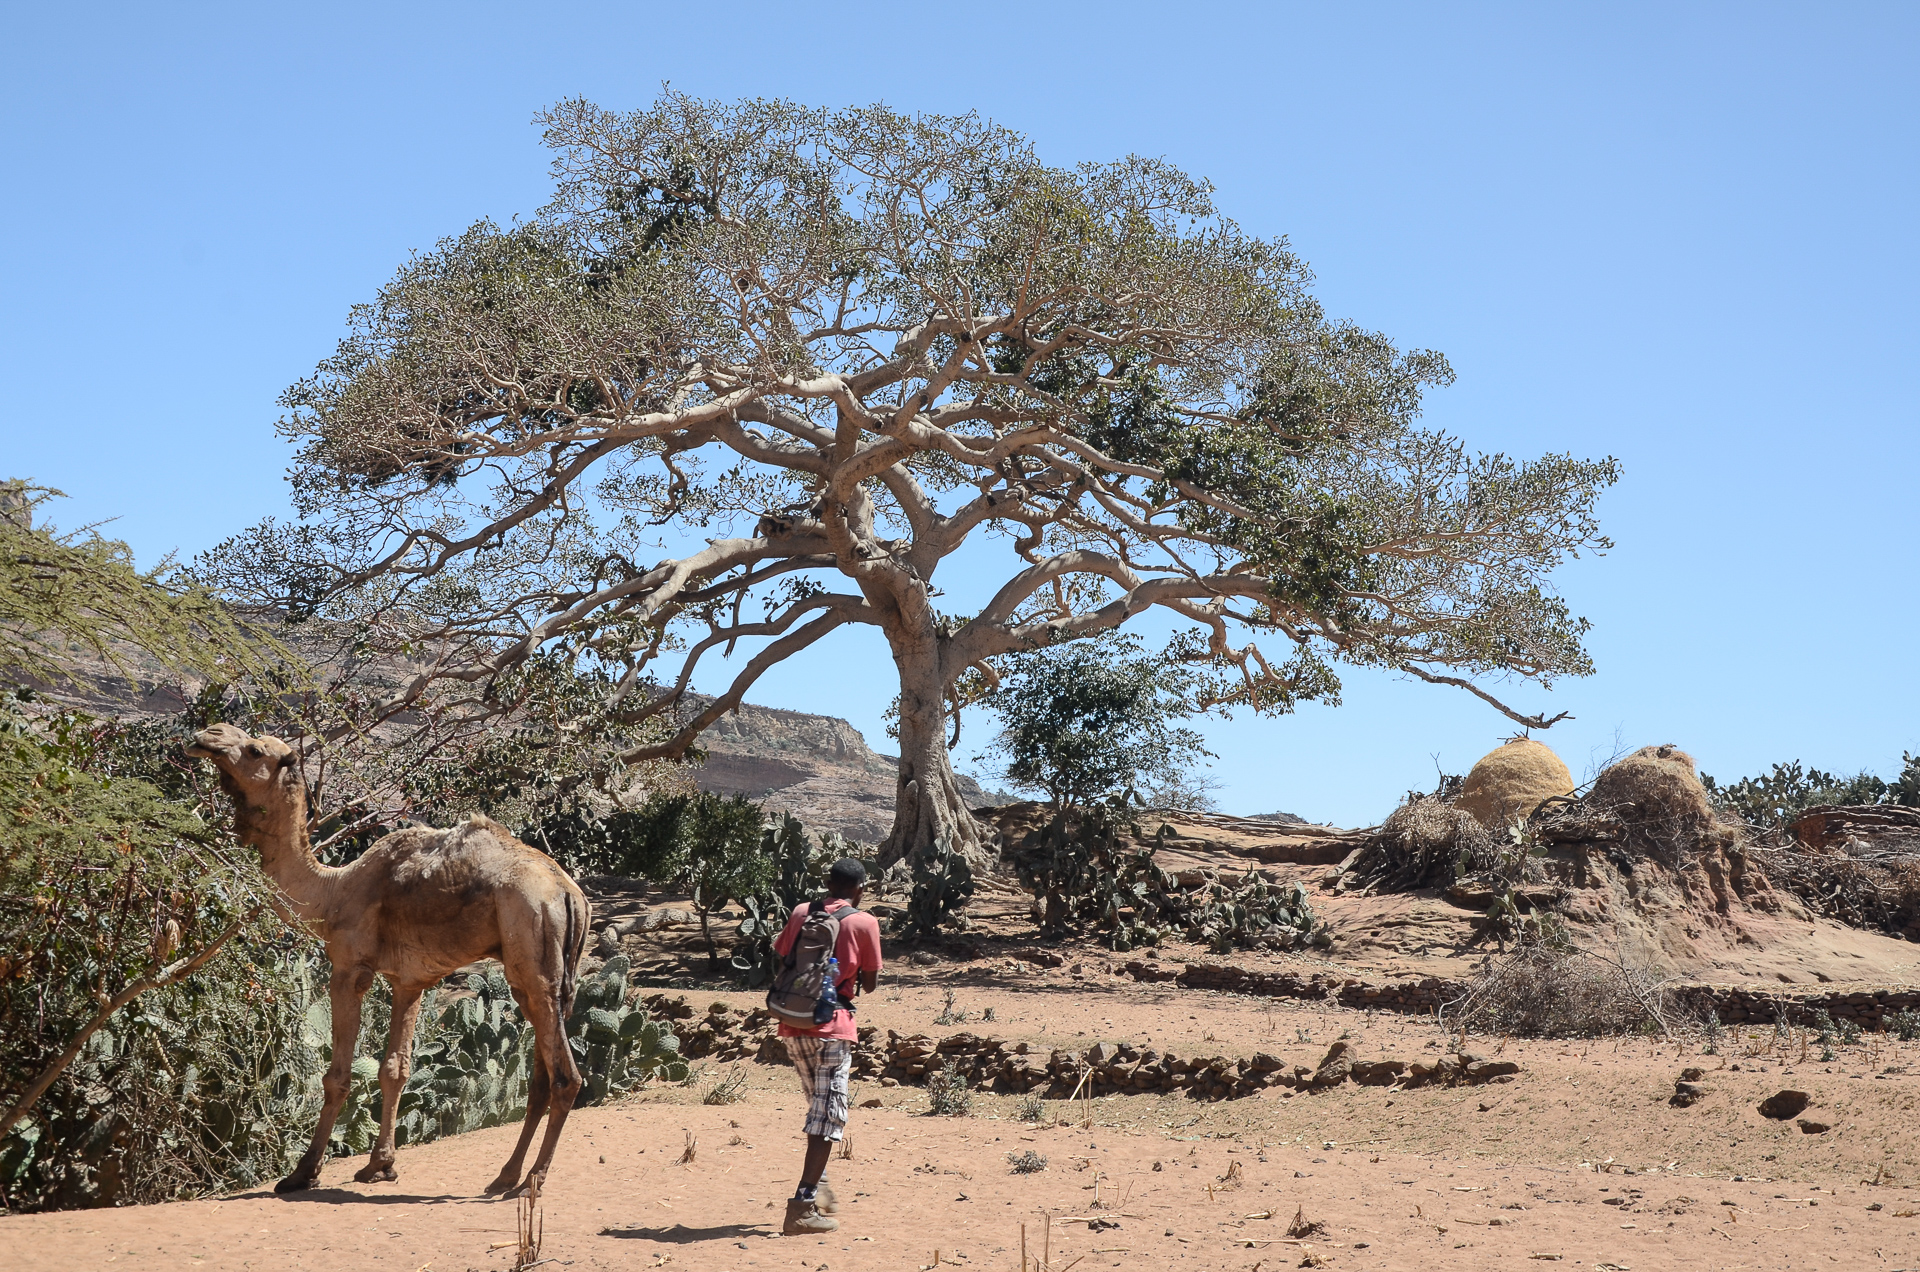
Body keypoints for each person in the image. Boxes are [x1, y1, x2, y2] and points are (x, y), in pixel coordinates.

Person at [771, 857, 882, 1236]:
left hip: (793, 1022)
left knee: (819, 1109)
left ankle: (818, 1186)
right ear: (860, 889)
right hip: (833, 1026)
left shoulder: (803, 911)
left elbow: (782, 954)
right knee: (829, 1114)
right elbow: (869, 984)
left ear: (828, 883)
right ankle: (802, 1206)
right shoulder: (864, 921)